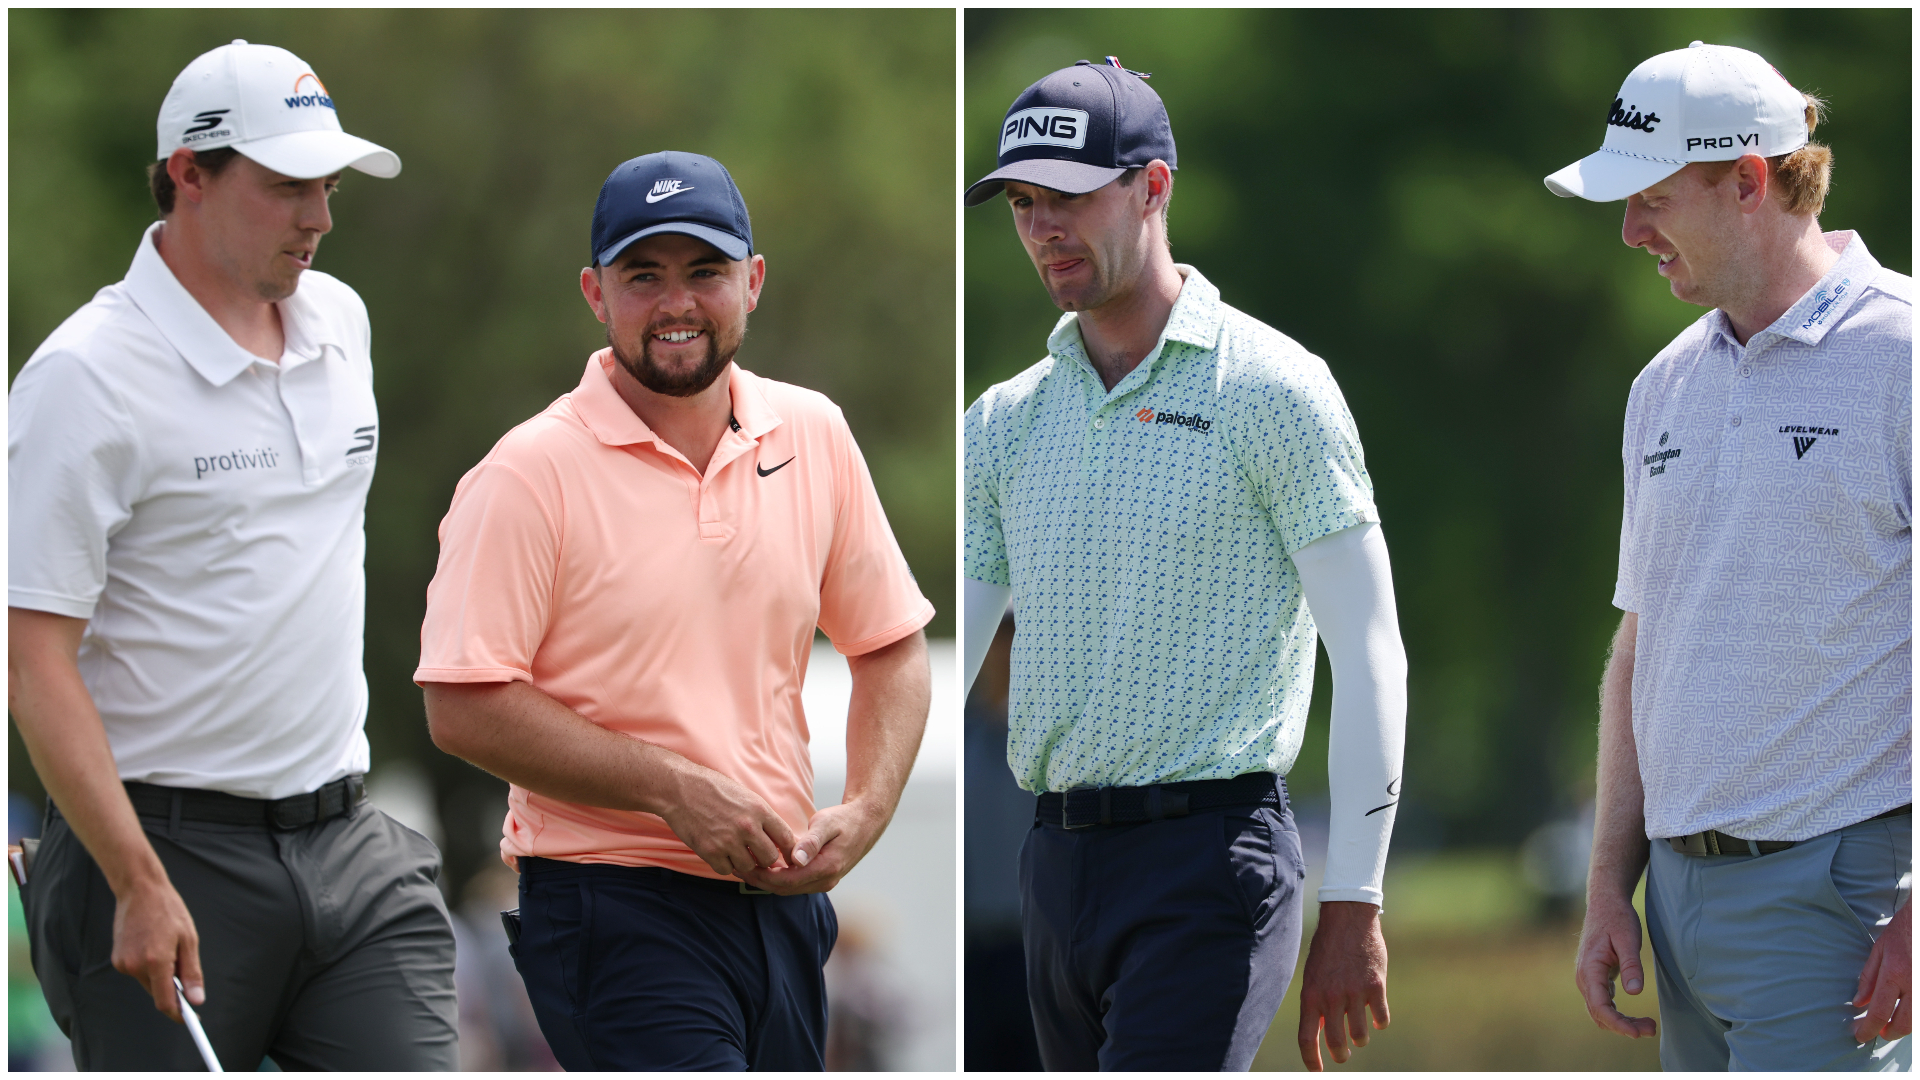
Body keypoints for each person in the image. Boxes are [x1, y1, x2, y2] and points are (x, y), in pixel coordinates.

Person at [417, 149, 935, 1071]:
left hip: (781, 906)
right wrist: (672, 789)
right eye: (642, 276)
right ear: (595, 293)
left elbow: (890, 645)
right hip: (609, 901)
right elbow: (463, 702)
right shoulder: (528, 474)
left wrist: (868, 805)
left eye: (704, 272)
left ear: (754, 281)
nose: (676, 303)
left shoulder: (812, 432)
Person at [8, 40, 459, 1070]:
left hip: (351, 845)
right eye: (288, 186)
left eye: (330, 185)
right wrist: (133, 879)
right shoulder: (83, 377)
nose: (320, 217)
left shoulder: (342, 319)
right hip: (160, 859)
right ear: (187, 174)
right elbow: (31, 663)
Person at [961, 58, 1409, 1072]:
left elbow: (1372, 653)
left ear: (1153, 186)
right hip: (1054, 866)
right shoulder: (1001, 422)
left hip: (1208, 860)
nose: (1042, 229)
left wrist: (1356, 898)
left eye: (1068, 198)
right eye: (1024, 204)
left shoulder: (1273, 388)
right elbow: (950, 651)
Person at [1549, 41, 1911, 1071]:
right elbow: (1640, 650)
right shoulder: (1661, 385)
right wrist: (1607, 888)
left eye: (1653, 199)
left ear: (1750, 179)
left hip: (1840, 897)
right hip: (1677, 904)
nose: (1629, 233)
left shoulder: (1905, 356)